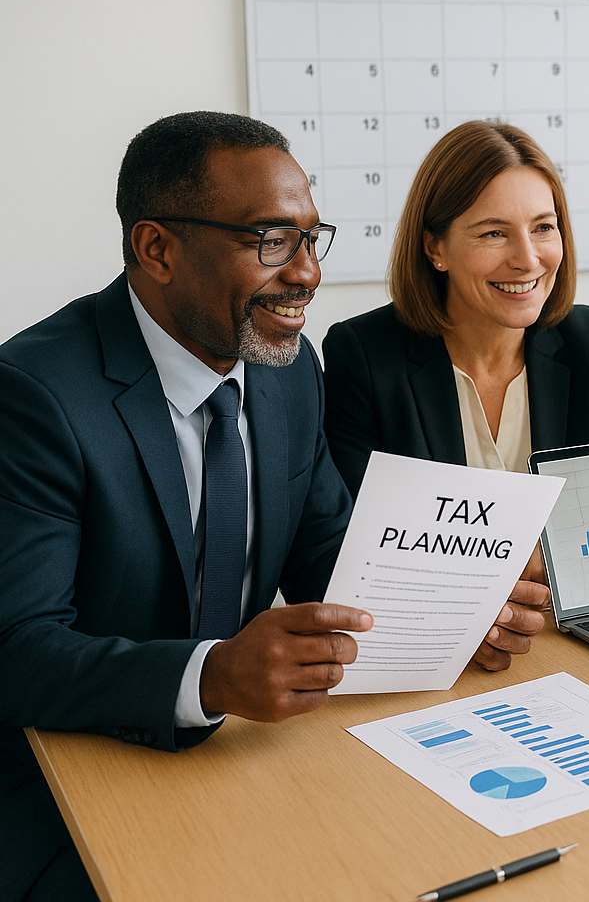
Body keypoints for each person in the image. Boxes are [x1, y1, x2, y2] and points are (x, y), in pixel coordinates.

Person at [0, 112, 372, 901]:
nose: (306, 272)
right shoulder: (34, 396)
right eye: (271, 240)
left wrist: (457, 600)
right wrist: (211, 677)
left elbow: (329, 555)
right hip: (66, 779)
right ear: (157, 249)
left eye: (312, 237)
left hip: (243, 758)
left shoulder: (288, 368)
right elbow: (17, 649)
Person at [322, 121, 589, 647]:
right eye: (494, 232)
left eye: (544, 227)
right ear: (436, 248)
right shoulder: (363, 356)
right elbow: (345, 554)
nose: (527, 259)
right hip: (434, 649)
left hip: (569, 639)